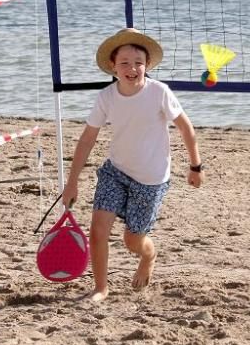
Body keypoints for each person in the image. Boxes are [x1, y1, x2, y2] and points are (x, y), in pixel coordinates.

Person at [61, 28, 203, 302]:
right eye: (124, 62)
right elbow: (88, 138)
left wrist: (196, 166)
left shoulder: (159, 92)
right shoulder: (106, 97)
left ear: (147, 66)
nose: (132, 68)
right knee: (98, 229)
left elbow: (186, 127)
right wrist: (72, 181)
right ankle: (101, 288)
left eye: (138, 62)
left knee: (132, 241)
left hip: (151, 179)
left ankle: (149, 255)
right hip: (115, 172)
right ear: (113, 67)